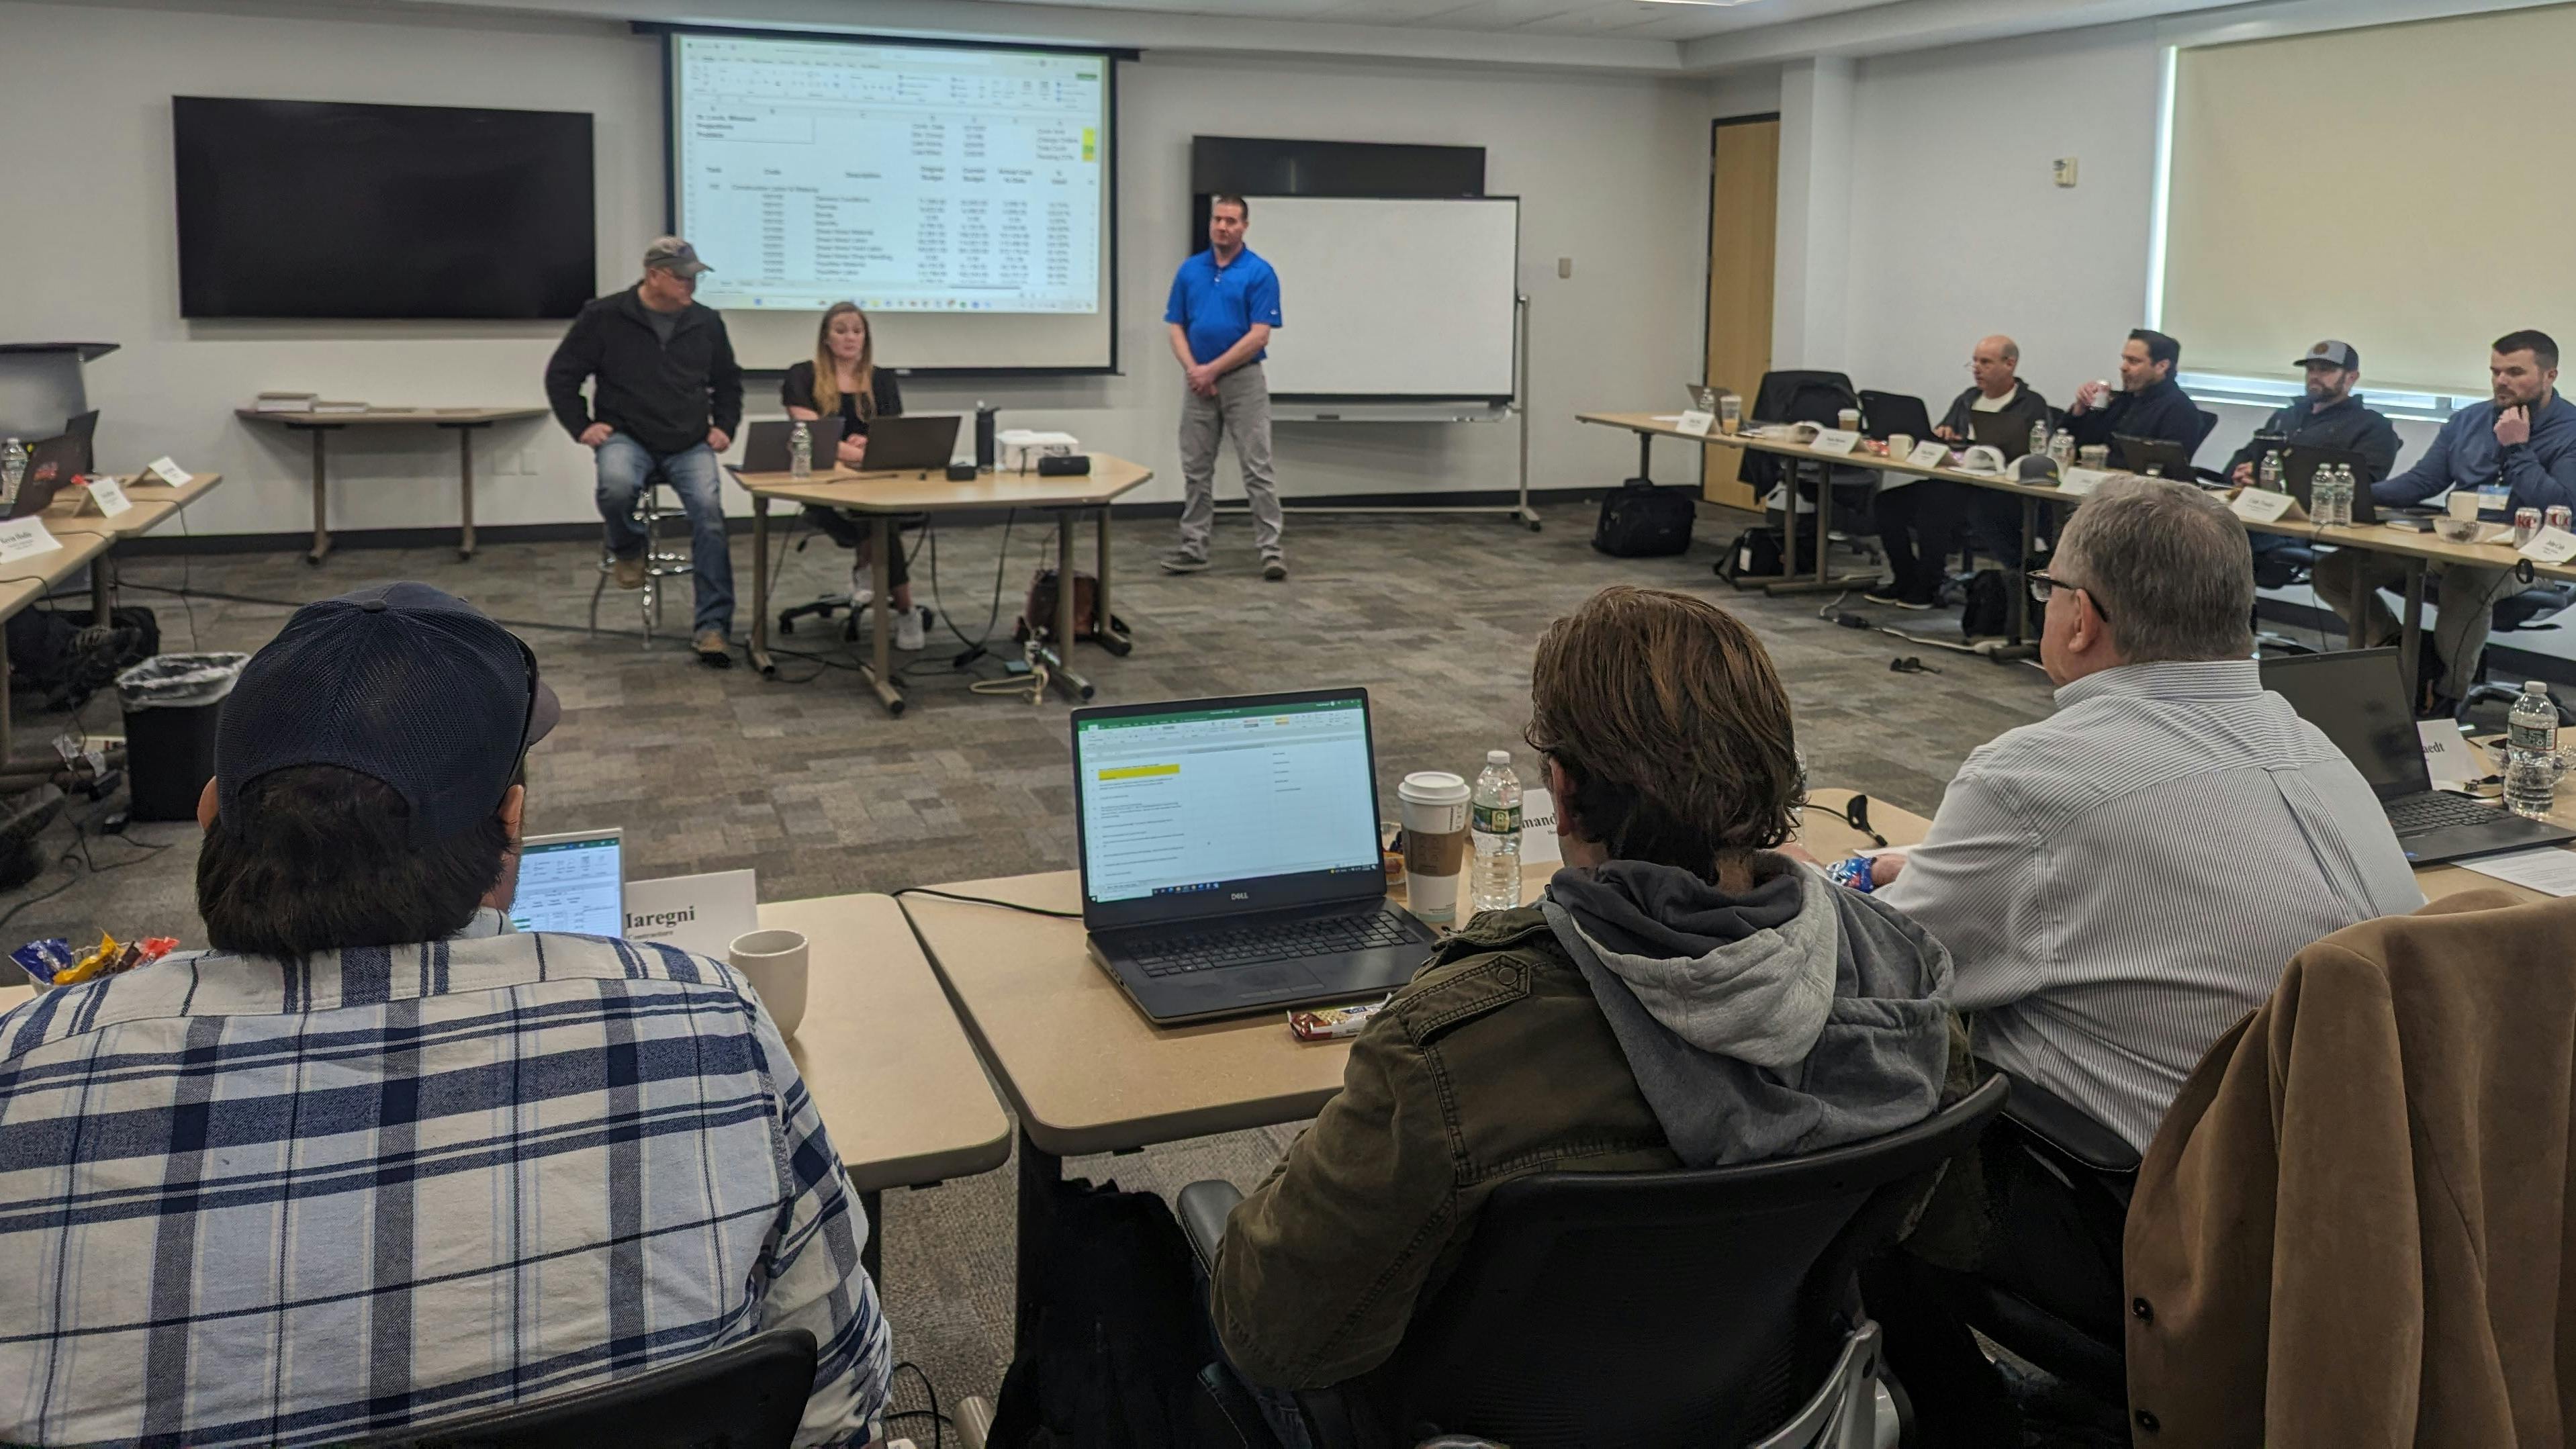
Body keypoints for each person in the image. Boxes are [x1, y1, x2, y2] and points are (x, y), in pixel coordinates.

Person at [0, 583, 892, 1448]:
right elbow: (838, 1398)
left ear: (207, 816)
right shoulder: (711, 1023)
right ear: (510, 833)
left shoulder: (25, 1071)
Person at [1207, 586, 1963, 1438]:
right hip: (1759, 1405)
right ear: (1771, 784)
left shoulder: (1446, 1052)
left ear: (1560, 798)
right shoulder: (1905, 981)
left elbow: (1268, 1336)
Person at [1839, 478, 2421, 1446]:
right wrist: (1944, 867)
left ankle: (1968, 1423)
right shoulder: (2313, 745)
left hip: (2164, 1233)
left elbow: (1882, 973)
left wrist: (1827, 889)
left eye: (2048, 585)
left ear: (2081, 619)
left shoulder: (2034, 776)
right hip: (2355, 1224)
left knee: (1856, 1122)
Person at [2313, 329, 2576, 708]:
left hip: (2535, 554)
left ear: (2550, 375)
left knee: (2466, 584)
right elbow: (2424, 481)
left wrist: (2517, 447)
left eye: (2516, 372)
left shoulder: (2569, 430)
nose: (2502, 381)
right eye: (2496, 371)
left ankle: (2445, 698)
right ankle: (2403, 654)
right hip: (2461, 540)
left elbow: (2564, 506)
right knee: (2335, 571)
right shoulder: (2468, 421)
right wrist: (2355, 493)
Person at [545, 236, 744, 667]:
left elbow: (728, 381)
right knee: (617, 486)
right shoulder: (604, 316)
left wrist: (724, 426)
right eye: (683, 277)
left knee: (709, 514)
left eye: (695, 277)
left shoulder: (706, 322)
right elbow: (562, 376)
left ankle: (712, 627)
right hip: (626, 435)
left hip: (688, 441)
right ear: (654, 275)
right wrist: (582, 427)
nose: (692, 285)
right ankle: (629, 547)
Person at [783, 301, 925, 651]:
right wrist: (858, 452)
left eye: (857, 331)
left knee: (880, 512)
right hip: (823, 482)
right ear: (826, 338)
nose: (850, 338)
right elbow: (811, 433)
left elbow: (892, 434)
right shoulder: (803, 375)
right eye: (841, 330)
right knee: (879, 520)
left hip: (877, 477)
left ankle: (869, 568)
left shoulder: (882, 379)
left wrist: (873, 442)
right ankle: (906, 609)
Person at [1872, 335, 2052, 607]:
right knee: (1887, 503)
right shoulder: (1968, 399)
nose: (1977, 368)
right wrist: (1944, 436)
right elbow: (1946, 438)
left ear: (2010, 365)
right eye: (1975, 362)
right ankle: (1904, 578)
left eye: (1986, 362)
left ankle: (1928, 585)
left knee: (1936, 506)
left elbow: (2031, 455)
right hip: (1954, 480)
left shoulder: (2030, 404)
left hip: (1996, 493)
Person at [1162, 195, 1287, 580]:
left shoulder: (1259, 272)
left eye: (1232, 221)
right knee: (1196, 469)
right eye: (1218, 219)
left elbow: (1259, 336)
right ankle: (1193, 547)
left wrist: (1212, 370)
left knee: (1257, 468)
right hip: (1198, 382)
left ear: (1244, 227)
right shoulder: (1190, 271)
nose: (1223, 227)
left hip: (1243, 380)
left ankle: (1271, 551)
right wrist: (1194, 370)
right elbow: (1175, 325)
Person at [2223, 339, 2402, 485]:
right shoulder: (2286, 416)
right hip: (2260, 510)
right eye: (2311, 369)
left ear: (2351, 377)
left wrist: (2272, 479)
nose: (2315, 376)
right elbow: (2241, 459)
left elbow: (2363, 486)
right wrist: (2242, 472)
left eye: (2325, 370)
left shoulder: (2372, 426)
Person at [2062, 328, 2201, 455]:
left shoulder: (2179, 410)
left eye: (2133, 361)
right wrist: (2079, 410)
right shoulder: (2122, 400)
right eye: (2124, 359)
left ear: (2161, 366)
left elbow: (2168, 471)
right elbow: (2073, 446)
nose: (2123, 367)